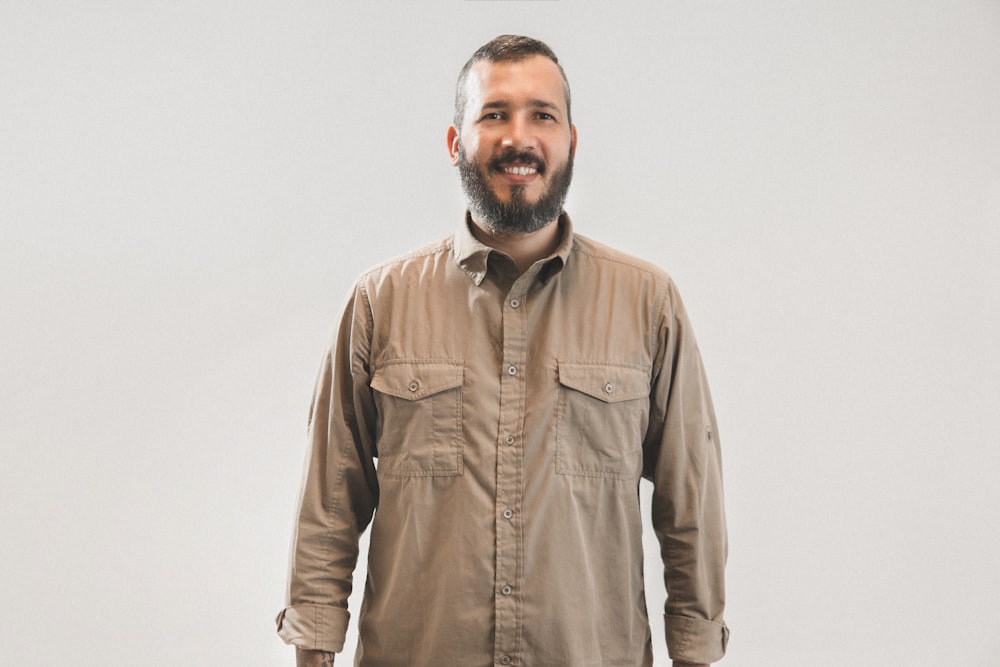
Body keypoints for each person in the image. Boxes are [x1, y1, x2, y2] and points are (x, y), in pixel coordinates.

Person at [276, 35, 729, 667]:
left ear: (572, 140)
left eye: (542, 115)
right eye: (494, 114)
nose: (519, 138)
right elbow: (330, 497)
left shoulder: (647, 302)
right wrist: (315, 644)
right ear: (456, 142)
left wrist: (696, 649)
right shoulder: (380, 301)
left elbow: (691, 501)